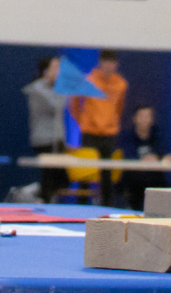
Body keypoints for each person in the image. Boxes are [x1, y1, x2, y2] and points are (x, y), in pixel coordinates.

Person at [69, 51, 127, 204]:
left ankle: (107, 206)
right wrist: (81, 121)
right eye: (106, 62)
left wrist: (112, 122)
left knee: (107, 173)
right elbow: (74, 102)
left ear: (116, 64)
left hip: (109, 133)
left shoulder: (121, 84)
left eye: (112, 62)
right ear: (100, 63)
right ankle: (81, 205)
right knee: (85, 172)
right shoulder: (89, 80)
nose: (109, 66)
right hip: (89, 132)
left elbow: (119, 107)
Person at [22, 56, 68, 201]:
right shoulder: (37, 89)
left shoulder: (57, 88)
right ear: (46, 71)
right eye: (55, 68)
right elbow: (56, 105)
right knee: (48, 176)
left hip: (57, 139)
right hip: (44, 140)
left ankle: (44, 196)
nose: (58, 72)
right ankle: (41, 198)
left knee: (62, 178)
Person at [119, 104, 171, 210]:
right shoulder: (127, 137)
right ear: (135, 118)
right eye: (141, 116)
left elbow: (168, 156)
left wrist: (162, 160)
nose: (144, 120)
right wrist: (145, 161)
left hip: (155, 181)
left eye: (148, 116)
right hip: (134, 182)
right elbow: (127, 158)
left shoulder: (157, 135)